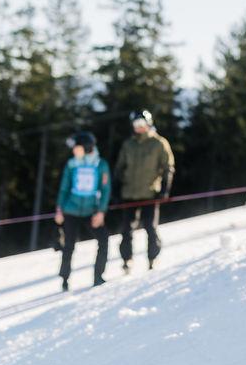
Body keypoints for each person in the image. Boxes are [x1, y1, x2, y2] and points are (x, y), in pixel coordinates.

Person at [115, 109, 174, 271]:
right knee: (126, 229)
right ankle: (127, 259)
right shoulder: (128, 144)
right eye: (136, 124)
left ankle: (152, 258)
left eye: (142, 123)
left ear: (148, 123)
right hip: (129, 193)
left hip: (150, 193)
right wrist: (116, 188)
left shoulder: (159, 143)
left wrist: (165, 188)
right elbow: (119, 168)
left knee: (150, 227)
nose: (139, 127)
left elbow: (168, 167)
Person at [54, 131, 111, 291]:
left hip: (91, 211)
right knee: (69, 245)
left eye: (77, 147)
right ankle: (64, 279)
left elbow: (105, 189)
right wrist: (59, 209)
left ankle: (98, 277)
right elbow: (64, 188)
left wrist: (101, 212)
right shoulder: (72, 164)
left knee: (103, 239)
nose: (74, 150)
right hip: (71, 210)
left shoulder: (101, 165)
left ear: (86, 147)